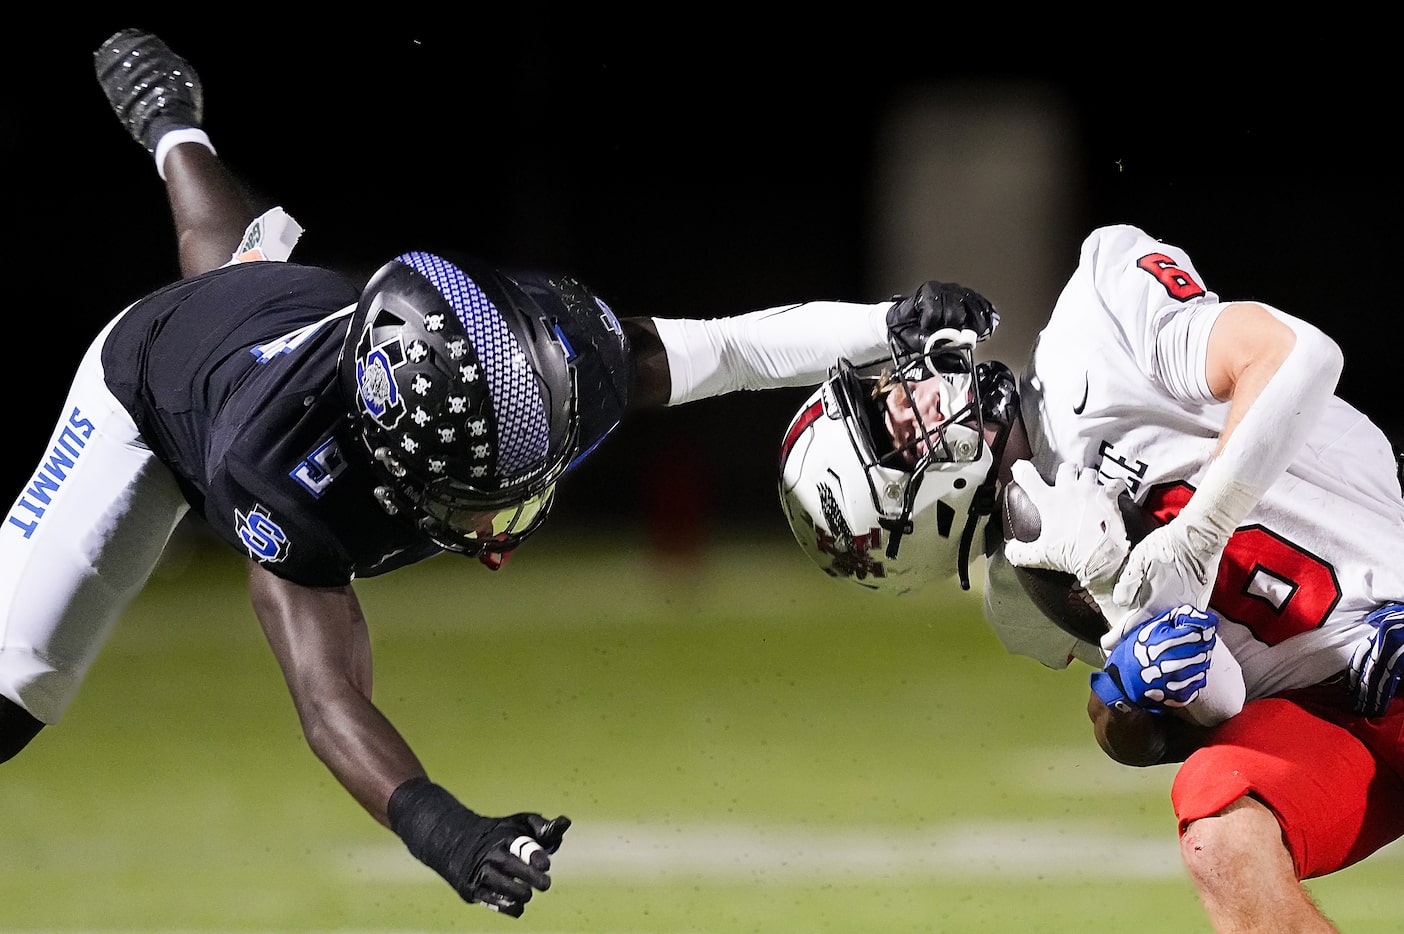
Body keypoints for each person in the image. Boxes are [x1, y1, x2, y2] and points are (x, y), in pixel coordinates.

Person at [0, 28, 997, 920]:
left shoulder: (544, 357)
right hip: (149, 395)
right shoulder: (280, 474)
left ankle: (174, 125)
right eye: (483, 496)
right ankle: (174, 129)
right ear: (397, 465)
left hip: (279, 304)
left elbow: (726, 349)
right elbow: (326, 696)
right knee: (16, 692)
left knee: (240, 270)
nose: (506, 521)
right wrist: (445, 830)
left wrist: (888, 324)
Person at [778, 221, 1404, 931]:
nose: (900, 396)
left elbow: (1296, 357)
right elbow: (1184, 708)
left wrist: (1199, 532)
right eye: (888, 434)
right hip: (1338, 715)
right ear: (917, 520)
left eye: (880, 391)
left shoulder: (1099, 316)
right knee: (1219, 829)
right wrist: (1132, 691)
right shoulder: (1023, 596)